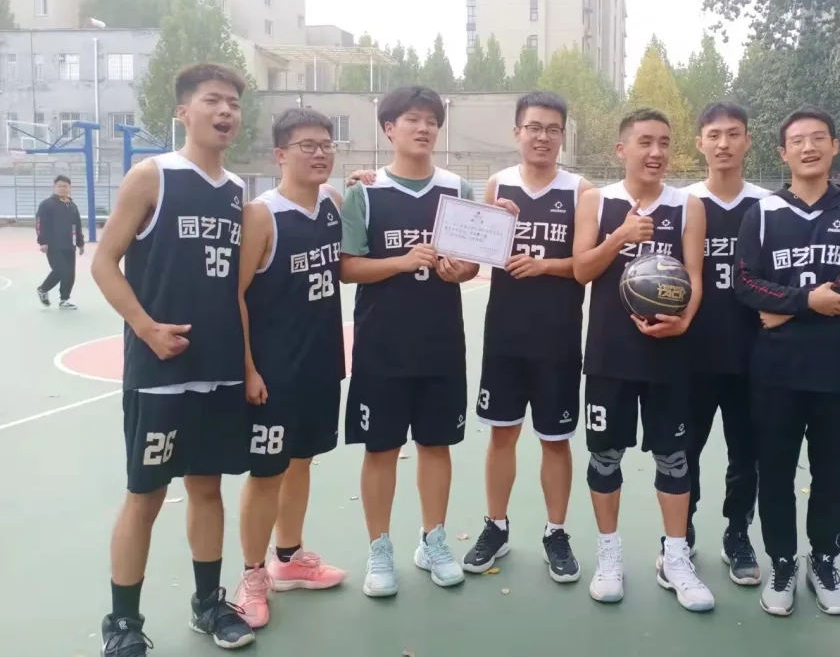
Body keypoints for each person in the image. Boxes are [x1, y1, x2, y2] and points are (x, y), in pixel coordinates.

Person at [90, 63, 256, 655]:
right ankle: (122, 624)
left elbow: (237, 289)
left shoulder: (237, 191)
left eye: (233, 102)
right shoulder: (152, 175)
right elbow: (103, 262)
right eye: (213, 100)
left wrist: (247, 365)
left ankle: (208, 604)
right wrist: (145, 328)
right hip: (161, 372)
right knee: (147, 493)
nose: (226, 110)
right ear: (183, 111)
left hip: (219, 370)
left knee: (208, 487)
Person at [733, 106, 840, 618]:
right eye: (798, 140)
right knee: (774, 472)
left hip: (838, 370)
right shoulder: (764, 212)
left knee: (832, 474)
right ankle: (782, 562)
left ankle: (824, 559)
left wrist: (788, 307)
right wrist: (808, 301)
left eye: (819, 138)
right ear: (783, 152)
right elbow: (744, 282)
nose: (809, 147)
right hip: (775, 372)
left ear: (834, 146)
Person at [572, 107, 715, 613]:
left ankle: (675, 558)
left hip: (669, 356)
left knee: (674, 458)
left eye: (664, 143)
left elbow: (695, 277)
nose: (656, 152)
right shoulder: (597, 201)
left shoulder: (688, 205)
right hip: (610, 354)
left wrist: (685, 320)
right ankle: (609, 556)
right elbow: (581, 270)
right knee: (605, 457)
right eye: (645, 142)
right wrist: (619, 237)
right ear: (622, 150)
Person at [340, 85, 478, 598]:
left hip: (441, 343)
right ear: (389, 128)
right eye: (412, 119)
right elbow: (347, 267)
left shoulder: (458, 189)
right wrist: (401, 262)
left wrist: (459, 271)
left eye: (431, 121)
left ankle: (433, 541)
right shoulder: (365, 193)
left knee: (436, 445)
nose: (423, 128)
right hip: (382, 346)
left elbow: (471, 264)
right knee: (381, 448)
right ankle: (379, 549)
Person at [461, 91, 592, 582]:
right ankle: (496, 526)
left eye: (552, 129)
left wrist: (544, 266)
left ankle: (556, 532)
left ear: (563, 135)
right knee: (502, 434)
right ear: (517, 132)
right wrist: (499, 223)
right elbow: (479, 255)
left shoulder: (580, 189)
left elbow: (585, 264)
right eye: (533, 127)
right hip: (505, 334)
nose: (543, 137)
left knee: (555, 440)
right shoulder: (499, 184)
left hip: (558, 336)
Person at [232, 108, 348, 629]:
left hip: (321, 363)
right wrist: (248, 368)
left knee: (301, 461)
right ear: (280, 154)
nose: (320, 153)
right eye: (307, 145)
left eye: (326, 144)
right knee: (266, 473)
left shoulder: (334, 204)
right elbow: (234, 296)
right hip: (274, 370)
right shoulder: (262, 215)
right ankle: (252, 573)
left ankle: (288, 557)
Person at [680, 102, 769, 584]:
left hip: (754, 355)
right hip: (692, 354)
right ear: (700, 143)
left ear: (747, 141)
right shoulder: (683, 203)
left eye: (734, 134)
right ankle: (682, 530)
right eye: (714, 135)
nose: (723, 143)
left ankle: (738, 533)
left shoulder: (768, 205)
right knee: (685, 450)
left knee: (746, 454)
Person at [35, 174, 85, 309]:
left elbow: (77, 225)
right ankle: (43, 289)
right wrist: (42, 241)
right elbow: (40, 224)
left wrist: (80, 243)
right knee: (61, 270)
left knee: (70, 273)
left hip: (70, 245)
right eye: (60, 186)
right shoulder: (47, 204)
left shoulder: (72, 206)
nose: (62, 189)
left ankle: (64, 299)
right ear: (54, 187)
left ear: (70, 188)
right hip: (53, 245)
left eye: (65, 186)